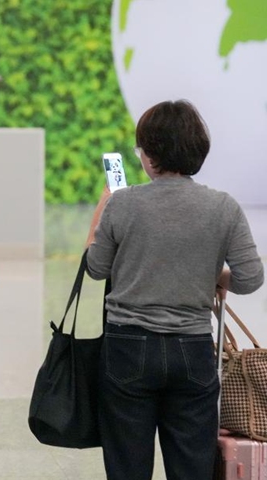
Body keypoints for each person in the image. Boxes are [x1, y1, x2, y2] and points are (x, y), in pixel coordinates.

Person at [85, 99, 264, 480]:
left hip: (128, 347)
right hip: (192, 350)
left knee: (127, 467)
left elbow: (97, 269)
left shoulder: (123, 203)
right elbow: (250, 278)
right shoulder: (223, 207)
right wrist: (216, 277)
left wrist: (100, 215)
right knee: (191, 468)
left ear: (150, 153)